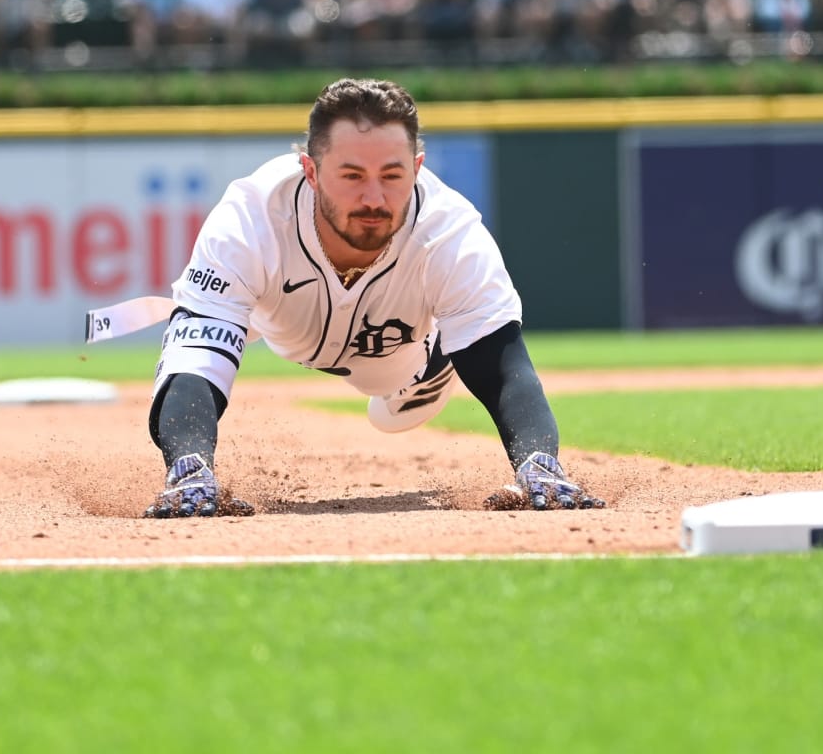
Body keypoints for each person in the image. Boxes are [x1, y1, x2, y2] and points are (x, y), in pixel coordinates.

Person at [86, 78, 604, 517]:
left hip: (397, 356)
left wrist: (540, 465)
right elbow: (194, 364)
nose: (374, 198)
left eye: (393, 175)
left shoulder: (450, 232)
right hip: (280, 316)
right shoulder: (250, 218)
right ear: (311, 172)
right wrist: (190, 470)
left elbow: (504, 366)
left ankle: (437, 358)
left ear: (417, 169)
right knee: (207, 331)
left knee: (395, 415)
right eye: (352, 176)